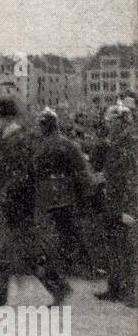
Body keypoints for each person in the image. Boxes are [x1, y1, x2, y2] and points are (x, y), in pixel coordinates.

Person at [0, 97, 69, 310]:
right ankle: (55, 287)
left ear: (4, 118)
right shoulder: (7, 137)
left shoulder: (19, 139)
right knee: (12, 251)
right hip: (11, 202)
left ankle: (55, 287)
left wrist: (8, 194)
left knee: (12, 251)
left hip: (13, 202)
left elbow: (22, 173)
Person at [33, 107, 94, 278]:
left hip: (51, 194)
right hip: (63, 193)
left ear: (47, 126)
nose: (40, 128)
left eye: (42, 125)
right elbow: (82, 169)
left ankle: (67, 265)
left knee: (59, 231)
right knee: (65, 230)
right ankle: (75, 265)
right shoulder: (67, 144)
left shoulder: (44, 144)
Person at [96, 102, 137, 306]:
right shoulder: (115, 143)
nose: (108, 125)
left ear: (121, 123)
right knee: (112, 247)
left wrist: (127, 210)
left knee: (128, 250)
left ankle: (131, 293)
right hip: (112, 202)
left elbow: (131, 180)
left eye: (111, 122)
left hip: (124, 205)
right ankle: (114, 289)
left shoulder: (130, 144)